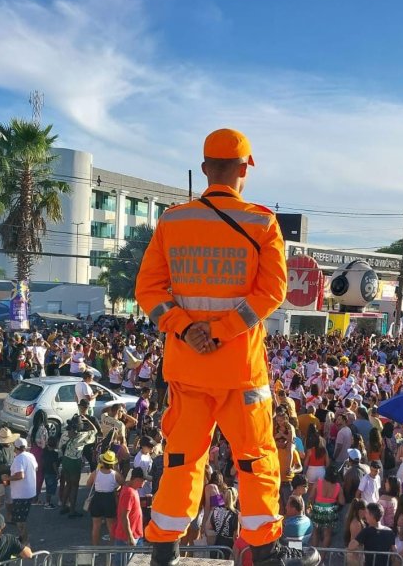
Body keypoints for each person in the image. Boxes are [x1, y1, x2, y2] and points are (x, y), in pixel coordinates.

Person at [135, 129, 316, 566]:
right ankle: (266, 552)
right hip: (241, 372)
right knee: (254, 461)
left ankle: (163, 548)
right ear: (243, 170)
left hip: (187, 369)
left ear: (204, 170)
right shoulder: (261, 221)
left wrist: (186, 328)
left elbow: (148, 291)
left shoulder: (173, 221)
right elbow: (272, 293)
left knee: (180, 461)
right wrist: (221, 331)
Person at [4, 438, 38, 544]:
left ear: (15, 447)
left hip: (21, 494)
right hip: (30, 491)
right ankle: (22, 540)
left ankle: (25, 544)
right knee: (20, 518)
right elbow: (36, 468)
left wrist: (7, 478)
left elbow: (20, 475)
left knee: (20, 521)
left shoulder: (19, 459)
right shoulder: (30, 455)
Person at [86, 451, 123, 546]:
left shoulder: (96, 472)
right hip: (109, 499)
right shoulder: (115, 474)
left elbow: (88, 484)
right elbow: (122, 482)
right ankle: (111, 548)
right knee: (111, 526)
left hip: (97, 498)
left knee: (96, 526)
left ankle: (95, 548)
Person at [111, 467, 146, 566]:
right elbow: (124, 516)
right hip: (127, 537)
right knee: (124, 563)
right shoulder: (129, 493)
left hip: (135, 535)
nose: (144, 483)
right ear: (136, 479)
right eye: (143, 480)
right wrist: (130, 537)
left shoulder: (130, 489)